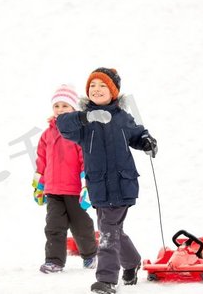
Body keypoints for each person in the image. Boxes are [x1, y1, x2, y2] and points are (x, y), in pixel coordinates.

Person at [56, 68, 157, 294]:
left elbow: (137, 134)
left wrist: (147, 141)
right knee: (113, 230)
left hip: (123, 183)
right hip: (99, 186)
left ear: (113, 91)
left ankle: (107, 279)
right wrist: (86, 116)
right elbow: (62, 125)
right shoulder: (82, 123)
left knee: (109, 231)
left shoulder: (122, 117)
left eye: (103, 86)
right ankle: (131, 262)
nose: (97, 89)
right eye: (93, 86)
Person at [32, 84, 98, 274]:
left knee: (81, 225)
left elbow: (85, 159)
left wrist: (87, 184)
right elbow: (41, 161)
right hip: (53, 190)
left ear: (74, 109)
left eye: (65, 106)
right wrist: (39, 185)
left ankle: (89, 254)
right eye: (57, 106)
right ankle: (54, 261)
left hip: (74, 190)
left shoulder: (78, 132)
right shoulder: (47, 134)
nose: (60, 110)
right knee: (53, 226)